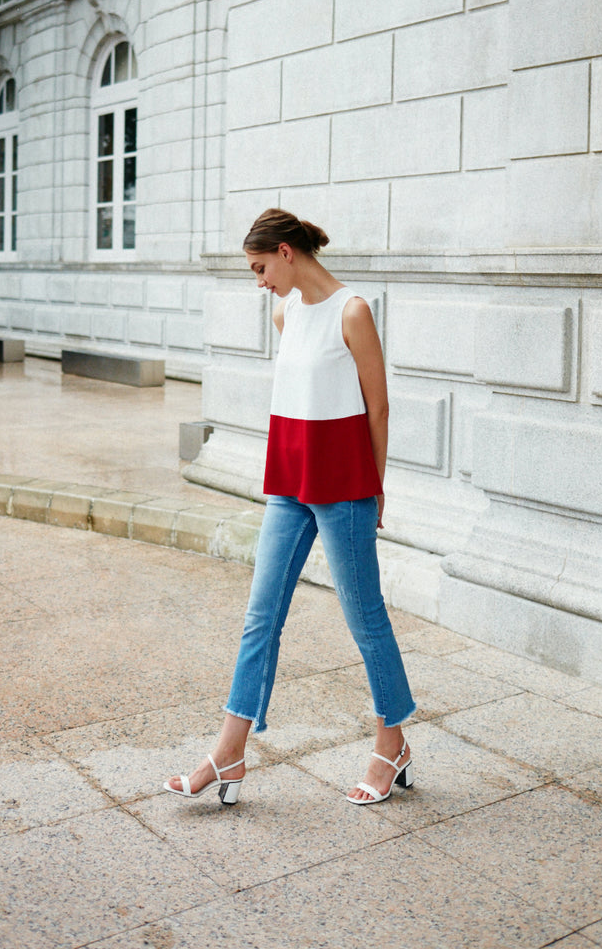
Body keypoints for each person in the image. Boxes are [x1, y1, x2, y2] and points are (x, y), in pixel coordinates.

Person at [164, 209, 416, 806]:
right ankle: (229, 753)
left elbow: (377, 408)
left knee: (364, 618)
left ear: (284, 252)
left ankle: (392, 740)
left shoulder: (352, 311)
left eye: (258, 269)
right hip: (289, 482)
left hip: (345, 485)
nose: (258, 284)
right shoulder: (287, 310)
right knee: (260, 616)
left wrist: (375, 486)